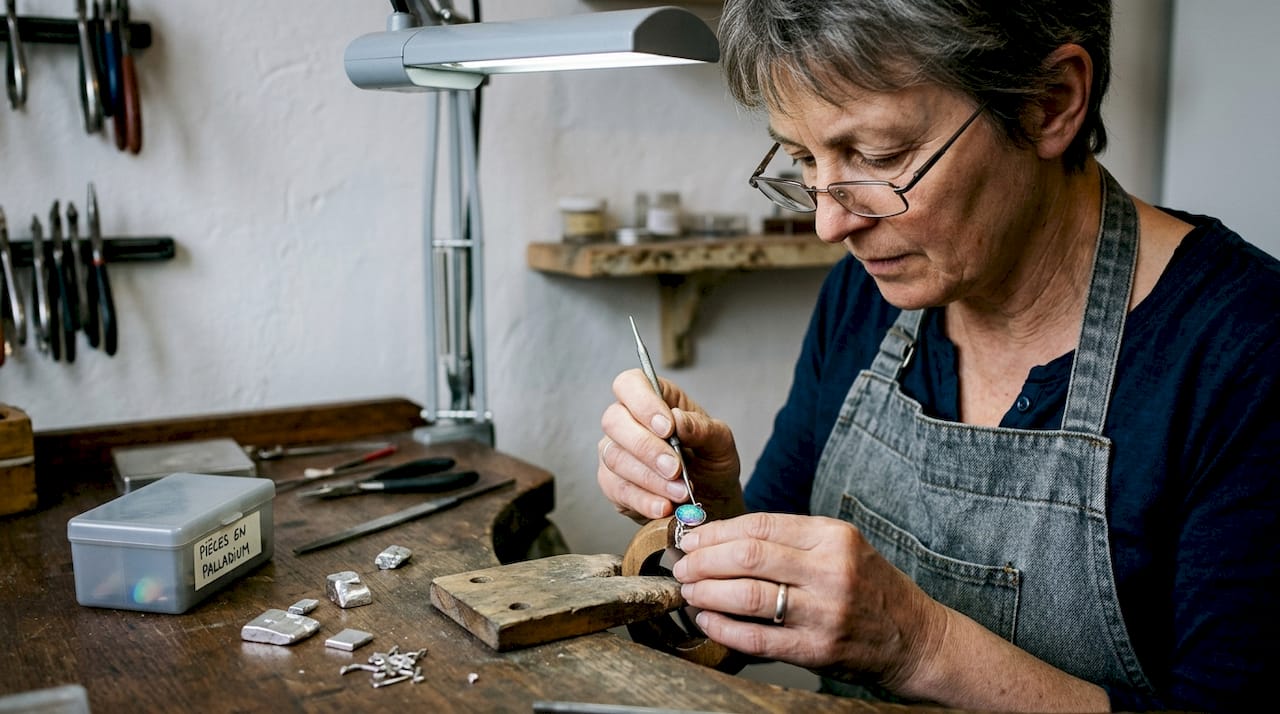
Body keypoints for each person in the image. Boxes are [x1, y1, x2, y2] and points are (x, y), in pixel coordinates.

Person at [595, 1, 1279, 711]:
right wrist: (709, 520)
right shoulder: (864, 300)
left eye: (878, 156)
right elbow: (756, 627)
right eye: (803, 159)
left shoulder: (1246, 353)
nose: (831, 222)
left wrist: (918, 644)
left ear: (1051, 103)